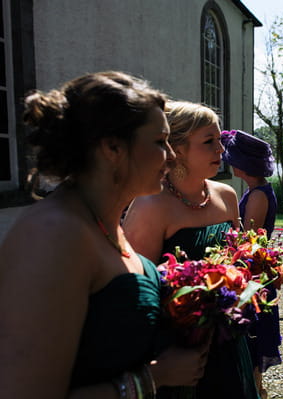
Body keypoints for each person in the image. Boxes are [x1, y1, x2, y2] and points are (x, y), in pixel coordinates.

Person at [0, 71, 207, 398]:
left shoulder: (107, 224)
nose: (171, 155)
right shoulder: (55, 234)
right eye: (159, 141)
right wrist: (153, 378)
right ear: (112, 147)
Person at [123, 101, 259, 399]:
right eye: (209, 142)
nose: (221, 151)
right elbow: (138, 291)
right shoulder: (151, 204)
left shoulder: (226, 194)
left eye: (220, 141)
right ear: (177, 148)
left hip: (228, 334)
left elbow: (239, 257)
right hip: (181, 348)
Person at [221, 130, 281, 399]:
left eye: (232, 158)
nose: (229, 162)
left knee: (254, 336)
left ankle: (256, 390)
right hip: (253, 268)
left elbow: (249, 239)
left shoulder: (257, 196)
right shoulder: (254, 190)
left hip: (255, 271)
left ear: (244, 165)